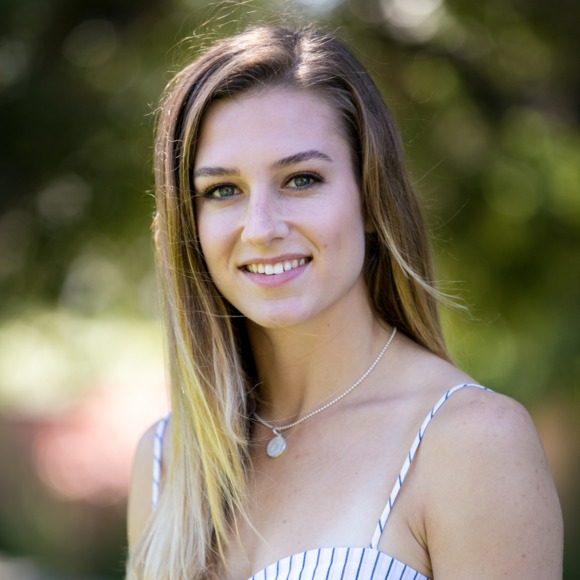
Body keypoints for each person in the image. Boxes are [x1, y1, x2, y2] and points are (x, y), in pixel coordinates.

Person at [126, 24, 563, 579]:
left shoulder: (470, 441)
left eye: (301, 179)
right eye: (223, 190)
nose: (261, 228)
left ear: (371, 199)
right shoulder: (166, 460)